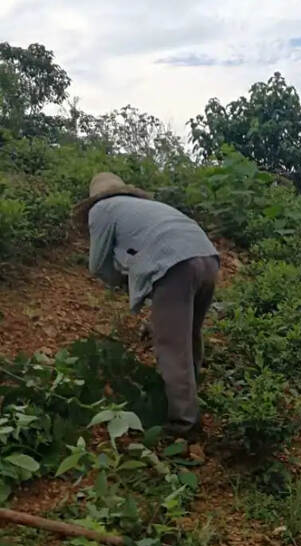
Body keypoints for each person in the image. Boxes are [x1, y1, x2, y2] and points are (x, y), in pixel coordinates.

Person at [75, 172, 219, 438]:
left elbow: (97, 265)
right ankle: (190, 398)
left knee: (171, 349)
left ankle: (184, 424)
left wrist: (120, 280)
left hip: (175, 265)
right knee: (189, 337)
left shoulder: (101, 209)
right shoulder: (147, 208)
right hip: (208, 259)